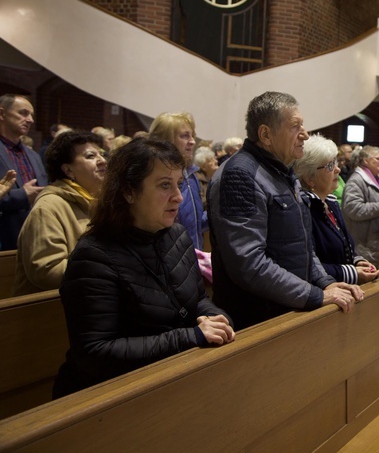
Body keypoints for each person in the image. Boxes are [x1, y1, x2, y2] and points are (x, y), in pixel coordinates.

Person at [53, 138, 234, 398]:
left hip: (170, 380)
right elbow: (95, 352)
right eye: (164, 185)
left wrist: (217, 318)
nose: (179, 197)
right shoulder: (93, 256)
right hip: (107, 398)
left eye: (179, 185)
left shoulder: (177, 236)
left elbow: (197, 300)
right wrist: (191, 336)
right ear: (128, 191)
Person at [208, 91, 363, 330]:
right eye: (295, 126)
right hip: (259, 319)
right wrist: (313, 294)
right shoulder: (240, 175)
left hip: (288, 309)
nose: (305, 134)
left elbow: (304, 243)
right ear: (266, 135)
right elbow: (249, 263)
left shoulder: (283, 172)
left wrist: (324, 282)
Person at [14, 131, 106, 296]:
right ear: (68, 170)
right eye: (91, 156)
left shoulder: (97, 203)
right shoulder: (48, 208)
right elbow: (47, 271)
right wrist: (106, 266)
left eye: (102, 154)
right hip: (46, 313)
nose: (102, 161)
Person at [295, 134, 379, 285]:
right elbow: (310, 266)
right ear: (309, 178)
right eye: (329, 166)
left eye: (335, 163)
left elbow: (344, 248)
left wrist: (357, 262)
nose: (338, 169)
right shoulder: (304, 208)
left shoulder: (330, 203)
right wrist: (352, 273)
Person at [149, 111, 207, 250]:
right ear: (166, 140)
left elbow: (194, 226)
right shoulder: (153, 177)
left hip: (192, 261)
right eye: (185, 136)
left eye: (192, 135)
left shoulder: (192, 176)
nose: (193, 141)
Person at [0, 94, 48, 251]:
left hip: (37, 239)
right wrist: (22, 195)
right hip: (6, 238)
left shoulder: (33, 155)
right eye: (23, 113)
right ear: (2, 114)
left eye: (31, 115)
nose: (30, 120)